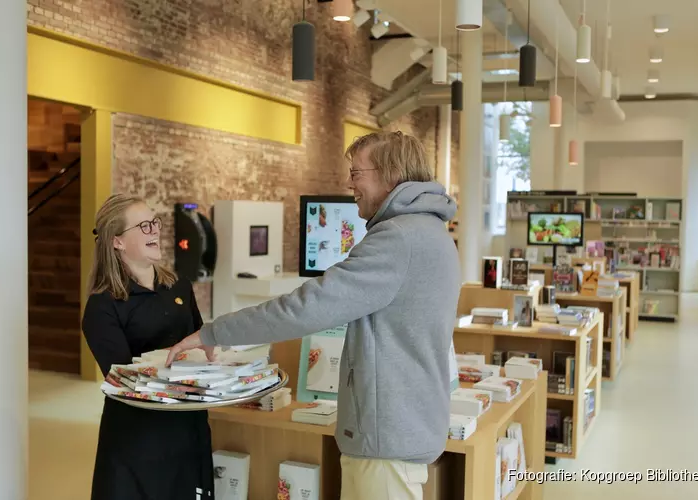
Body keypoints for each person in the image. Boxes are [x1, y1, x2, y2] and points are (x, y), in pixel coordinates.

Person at [167, 131, 461, 500]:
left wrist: (214, 332)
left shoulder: (398, 239)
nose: (350, 183)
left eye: (357, 174)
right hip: (401, 427)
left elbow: (305, 308)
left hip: (388, 438)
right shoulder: (430, 231)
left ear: (390, 174)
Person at [81, 194, 215, 500]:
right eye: (143, 226)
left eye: (154, 222)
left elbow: (198, 341)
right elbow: (124, 382)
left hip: (188, 427)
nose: (154, 230)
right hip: (138, 440)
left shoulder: (179, 285)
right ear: (117, 242)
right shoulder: (103, 307)